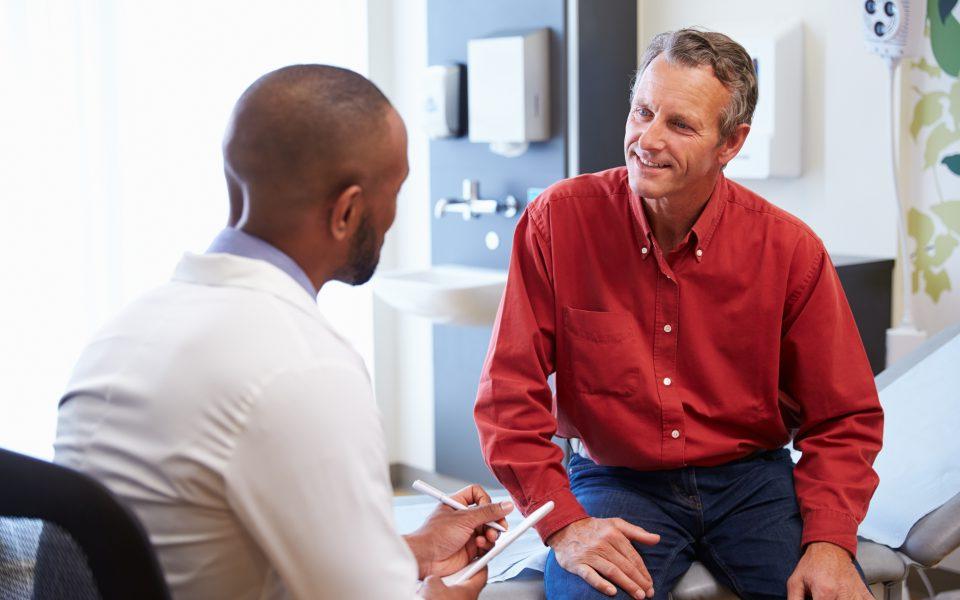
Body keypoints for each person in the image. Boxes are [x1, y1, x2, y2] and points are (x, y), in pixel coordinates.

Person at [54, 65, 512, 600]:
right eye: (395, 190)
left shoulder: (123, 332)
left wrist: (414, 550)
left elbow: (199, 542)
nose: (393, 217)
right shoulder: (304, 367)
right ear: (346, 211)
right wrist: (448, 594)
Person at [474, 29, 883, 600]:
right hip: (616, 479)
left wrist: (832, 542)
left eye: (680, 124)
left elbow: (846, 417)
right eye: (642, 111)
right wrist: (563, 524)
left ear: (730, 143)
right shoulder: (558, 222)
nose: (647, 139)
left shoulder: (790, 251)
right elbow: (507, 394)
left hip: (752, 483)